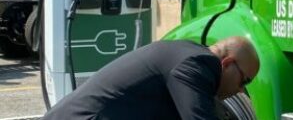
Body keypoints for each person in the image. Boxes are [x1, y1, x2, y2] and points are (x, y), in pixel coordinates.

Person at [42, 36, 260, 120]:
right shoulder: (198, 65)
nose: (242, 91)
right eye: (245, 81)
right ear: (228, 63)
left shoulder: (188, 52)